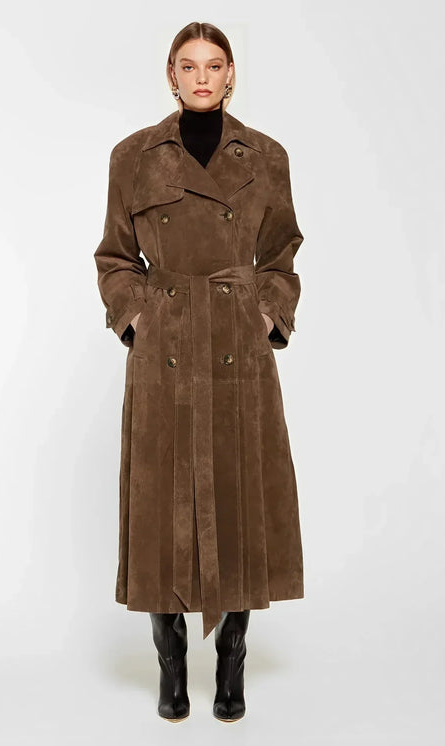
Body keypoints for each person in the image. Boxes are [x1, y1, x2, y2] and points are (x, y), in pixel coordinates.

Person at [93, 21, 305, 723]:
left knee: (239, 497)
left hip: (237, 349)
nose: (202, 77)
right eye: (189, 66)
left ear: (231, 74)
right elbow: (115, 256)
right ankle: (171, 661)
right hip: (165, 350)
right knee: (159, 504)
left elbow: (281, 254)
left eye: (214, 65)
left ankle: (233, 658)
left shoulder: (266, 156)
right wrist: (137, 317)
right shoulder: (133, 156)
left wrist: (265, 315)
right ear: (171, 75)